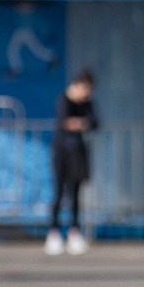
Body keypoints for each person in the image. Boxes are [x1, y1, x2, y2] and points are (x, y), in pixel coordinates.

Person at [47, 69, 98, 254]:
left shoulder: (87, 103)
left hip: (78, 153)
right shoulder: (64, 99)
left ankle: (74, 231)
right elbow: (65, 122)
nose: (87, 93)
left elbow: (95, 123)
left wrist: (79, 123)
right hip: (61, 152)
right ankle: (54, 232)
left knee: (75, 193)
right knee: (59, 192)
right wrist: (80, 123)